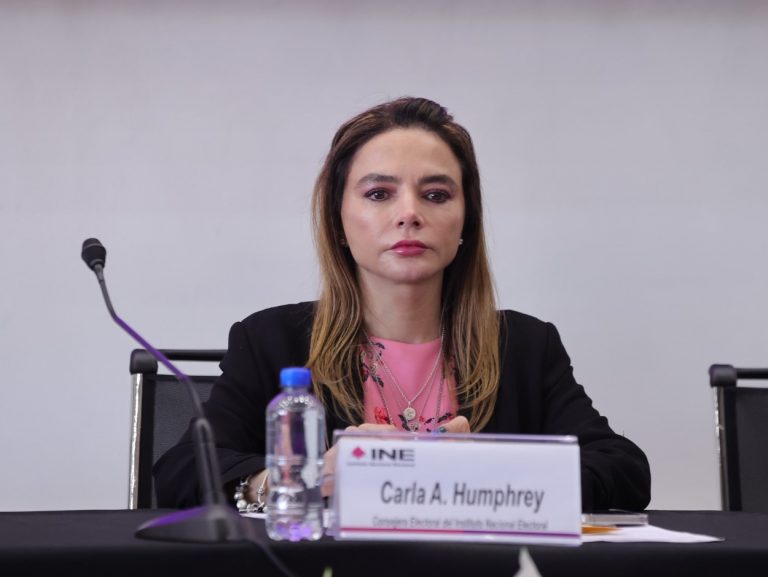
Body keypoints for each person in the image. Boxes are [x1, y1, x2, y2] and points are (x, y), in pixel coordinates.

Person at [154, 97, 651, 512]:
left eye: (435, 194)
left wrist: (496, 470)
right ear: (340, 221)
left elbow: (624, 471)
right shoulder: (271, 340)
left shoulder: (524, 345)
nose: (409, 214)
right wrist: (300, 479)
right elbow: (181, 473)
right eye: (379, 193)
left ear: (465, 222)